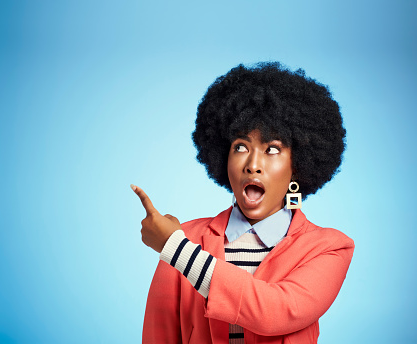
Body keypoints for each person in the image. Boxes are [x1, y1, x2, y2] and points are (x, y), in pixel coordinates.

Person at [131, 62, 354, 344]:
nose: (253, 165)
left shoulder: (329, 248)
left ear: (296, 165)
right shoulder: (184, 239)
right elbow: (158, 336)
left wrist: (175, 249)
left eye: (272, 149)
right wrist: (176, 245)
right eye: (240, 147)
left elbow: (276, 311)